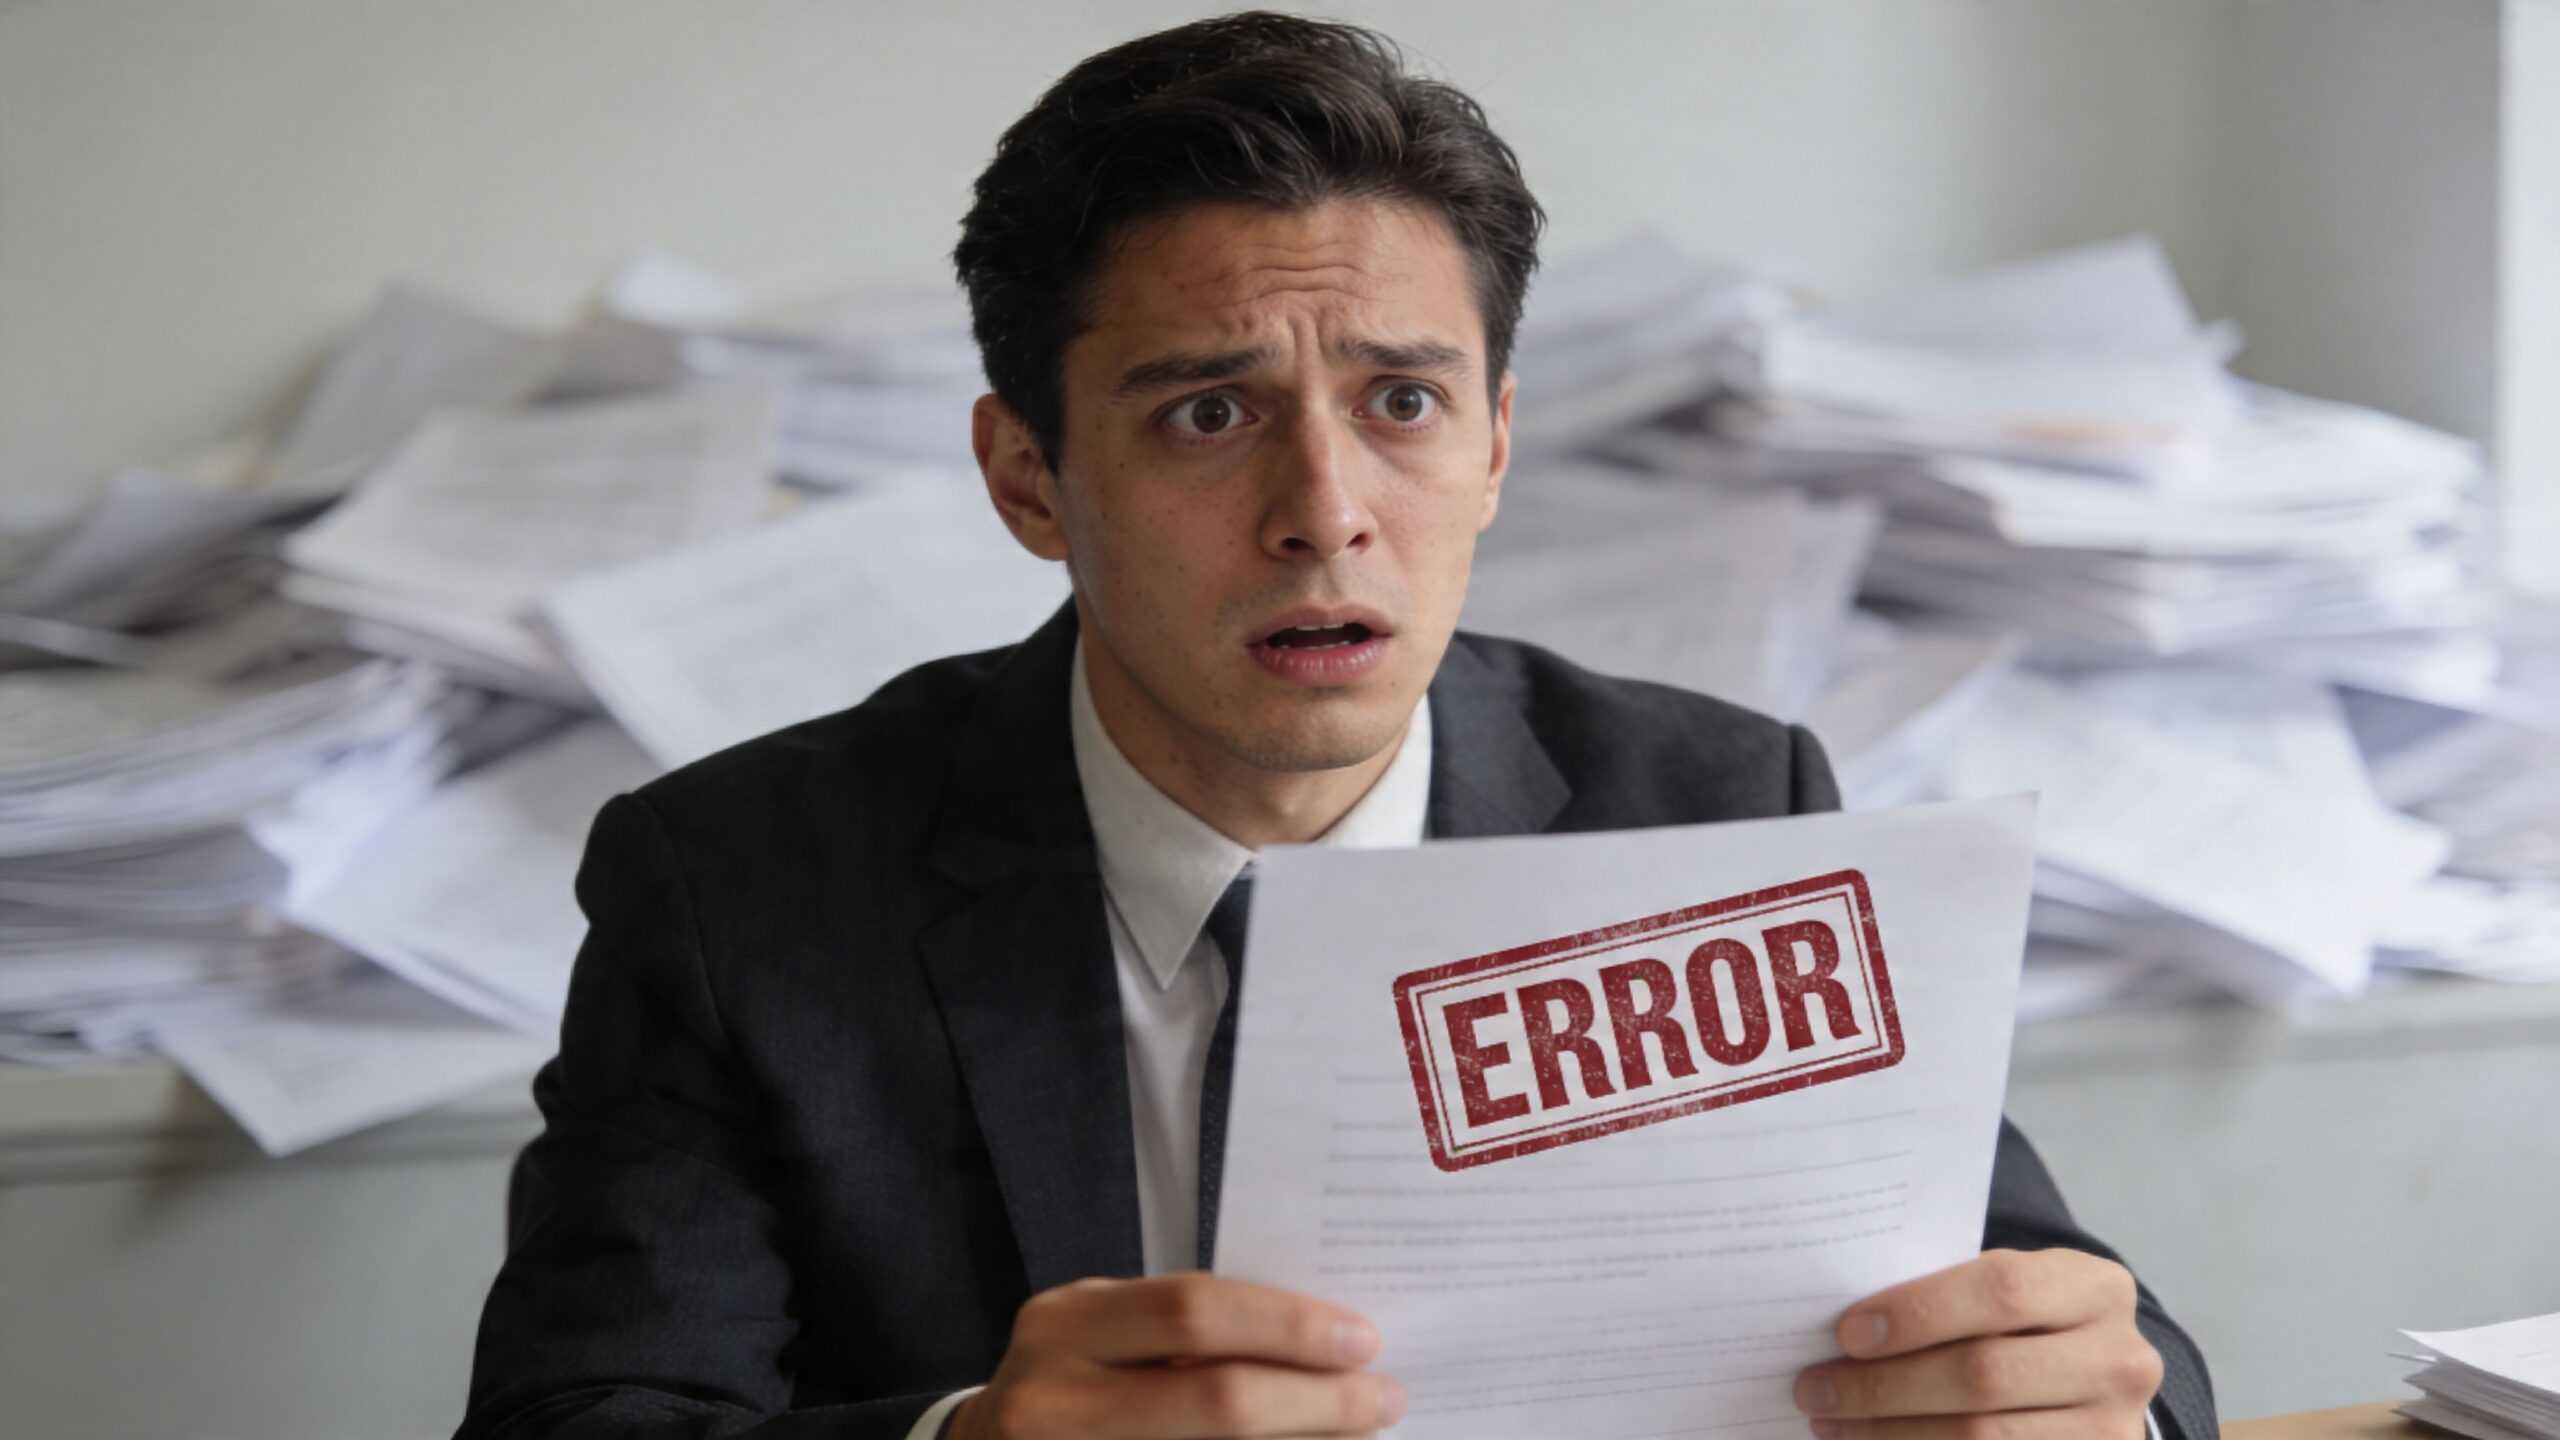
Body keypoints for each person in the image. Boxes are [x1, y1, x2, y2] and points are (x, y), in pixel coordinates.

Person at [457, 14, 2214, 1440]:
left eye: (1402, 403)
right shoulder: (736, 884)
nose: (1325, 510)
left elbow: (2106, 1346)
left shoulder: (1720, 808)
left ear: (1499, 445)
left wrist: (2089, 1414)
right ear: (1028, 481)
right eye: (1210, 412)